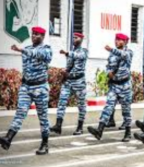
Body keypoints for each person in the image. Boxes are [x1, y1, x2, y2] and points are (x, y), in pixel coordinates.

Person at [0, 27, 52, 155]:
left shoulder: (46, 50)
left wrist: (20, 49)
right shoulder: (27, 49)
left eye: (37, 34)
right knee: (20, 113)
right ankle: (8, 138)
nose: (34, 36)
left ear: (43, 37)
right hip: (26, 88)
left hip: (40, 88)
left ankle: (45, 144)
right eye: (33, 34)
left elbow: (38, 54)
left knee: (43, 118)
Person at [87, 33, 133, 142]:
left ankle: (128, 132)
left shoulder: (129, 52)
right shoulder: (112, 55)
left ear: (125, 42)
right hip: (114, 85)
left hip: (125, 86)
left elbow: (124, 55)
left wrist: (112, 49)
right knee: (108, 107)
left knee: (126, 110)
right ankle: (99, 130)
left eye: (120, 40)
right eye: (116, 39)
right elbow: (108, 66)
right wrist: (109, 73)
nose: (117, 42)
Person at [50, 32, 88, 136]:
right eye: (73, 38)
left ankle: (80, 127)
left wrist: (66, 53)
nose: (74, 39)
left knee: (81, 105)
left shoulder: (84, 51)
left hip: (79, 82)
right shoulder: (72, 51)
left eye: (76, 38)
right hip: (68, 81)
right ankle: (58, 126)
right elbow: (69, 65)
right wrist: (64, 73)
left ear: (81, 39)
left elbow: (79, 56)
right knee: (62, 102)